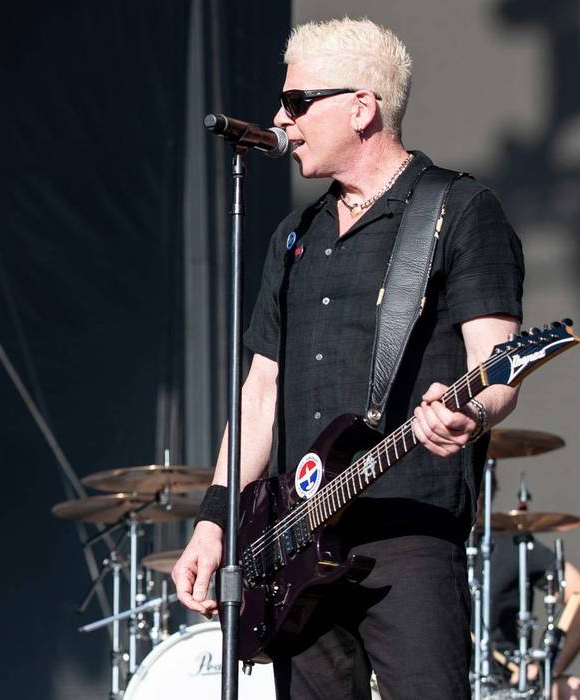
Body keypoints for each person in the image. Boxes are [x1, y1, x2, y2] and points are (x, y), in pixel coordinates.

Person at [171, 17, 525, 699]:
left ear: (362, 107)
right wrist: (214, 521)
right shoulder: (293, 235)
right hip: (295, 542)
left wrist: (471, 414)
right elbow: (259, 392)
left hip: (407, 532)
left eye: (297, 102)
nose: (281, 119)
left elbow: (497, 364)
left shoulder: (458, 209)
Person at [488, 531, 580, 699]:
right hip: (447, 676)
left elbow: (577, 592)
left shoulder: (513, 544)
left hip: (512, 680)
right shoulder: (439, 550)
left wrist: (546, 669)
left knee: (574, 691)